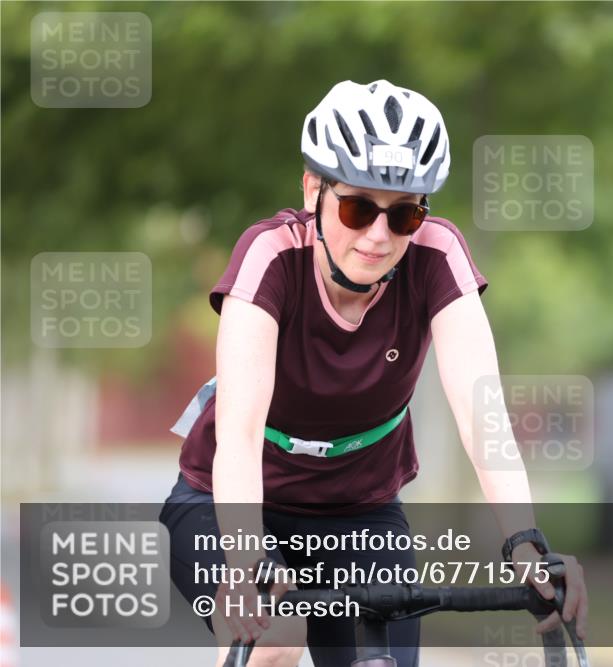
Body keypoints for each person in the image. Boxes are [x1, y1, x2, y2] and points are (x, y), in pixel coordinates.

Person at [158, 79, 588, 667]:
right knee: (275, 640)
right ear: (313, 188)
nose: (380, 236)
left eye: (405, 213)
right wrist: (244, 560)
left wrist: (525, 543)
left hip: (358, 513)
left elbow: (482, 415)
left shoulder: (437, 255)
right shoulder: (269, 259)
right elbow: (237, 435)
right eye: (358, 208)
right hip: (225, 500)